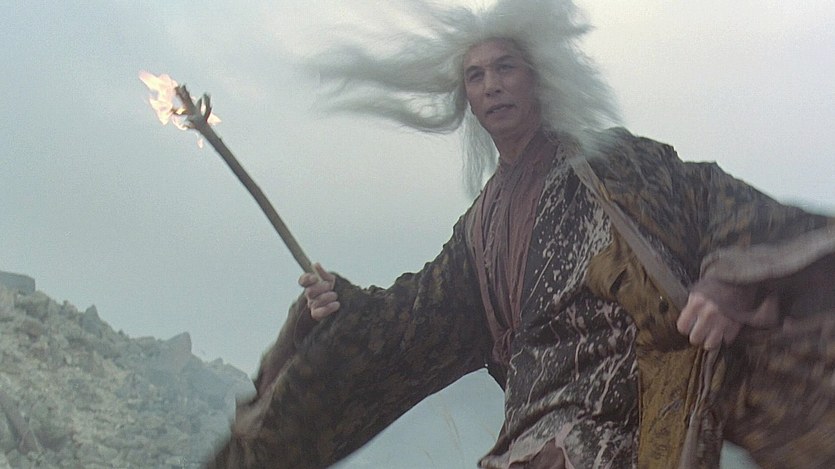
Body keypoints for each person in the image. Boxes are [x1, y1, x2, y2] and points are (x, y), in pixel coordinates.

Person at [207, 1, 835, 468]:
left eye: (505, 67)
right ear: (466, 98)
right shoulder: (480, 229)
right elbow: (412, 321)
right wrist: (340, 307)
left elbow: (713, 197)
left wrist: (727, 285)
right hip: (533, 427)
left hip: (632, 414)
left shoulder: (616, 165)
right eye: (476, 76)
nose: (492, 85)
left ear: (537, 77)